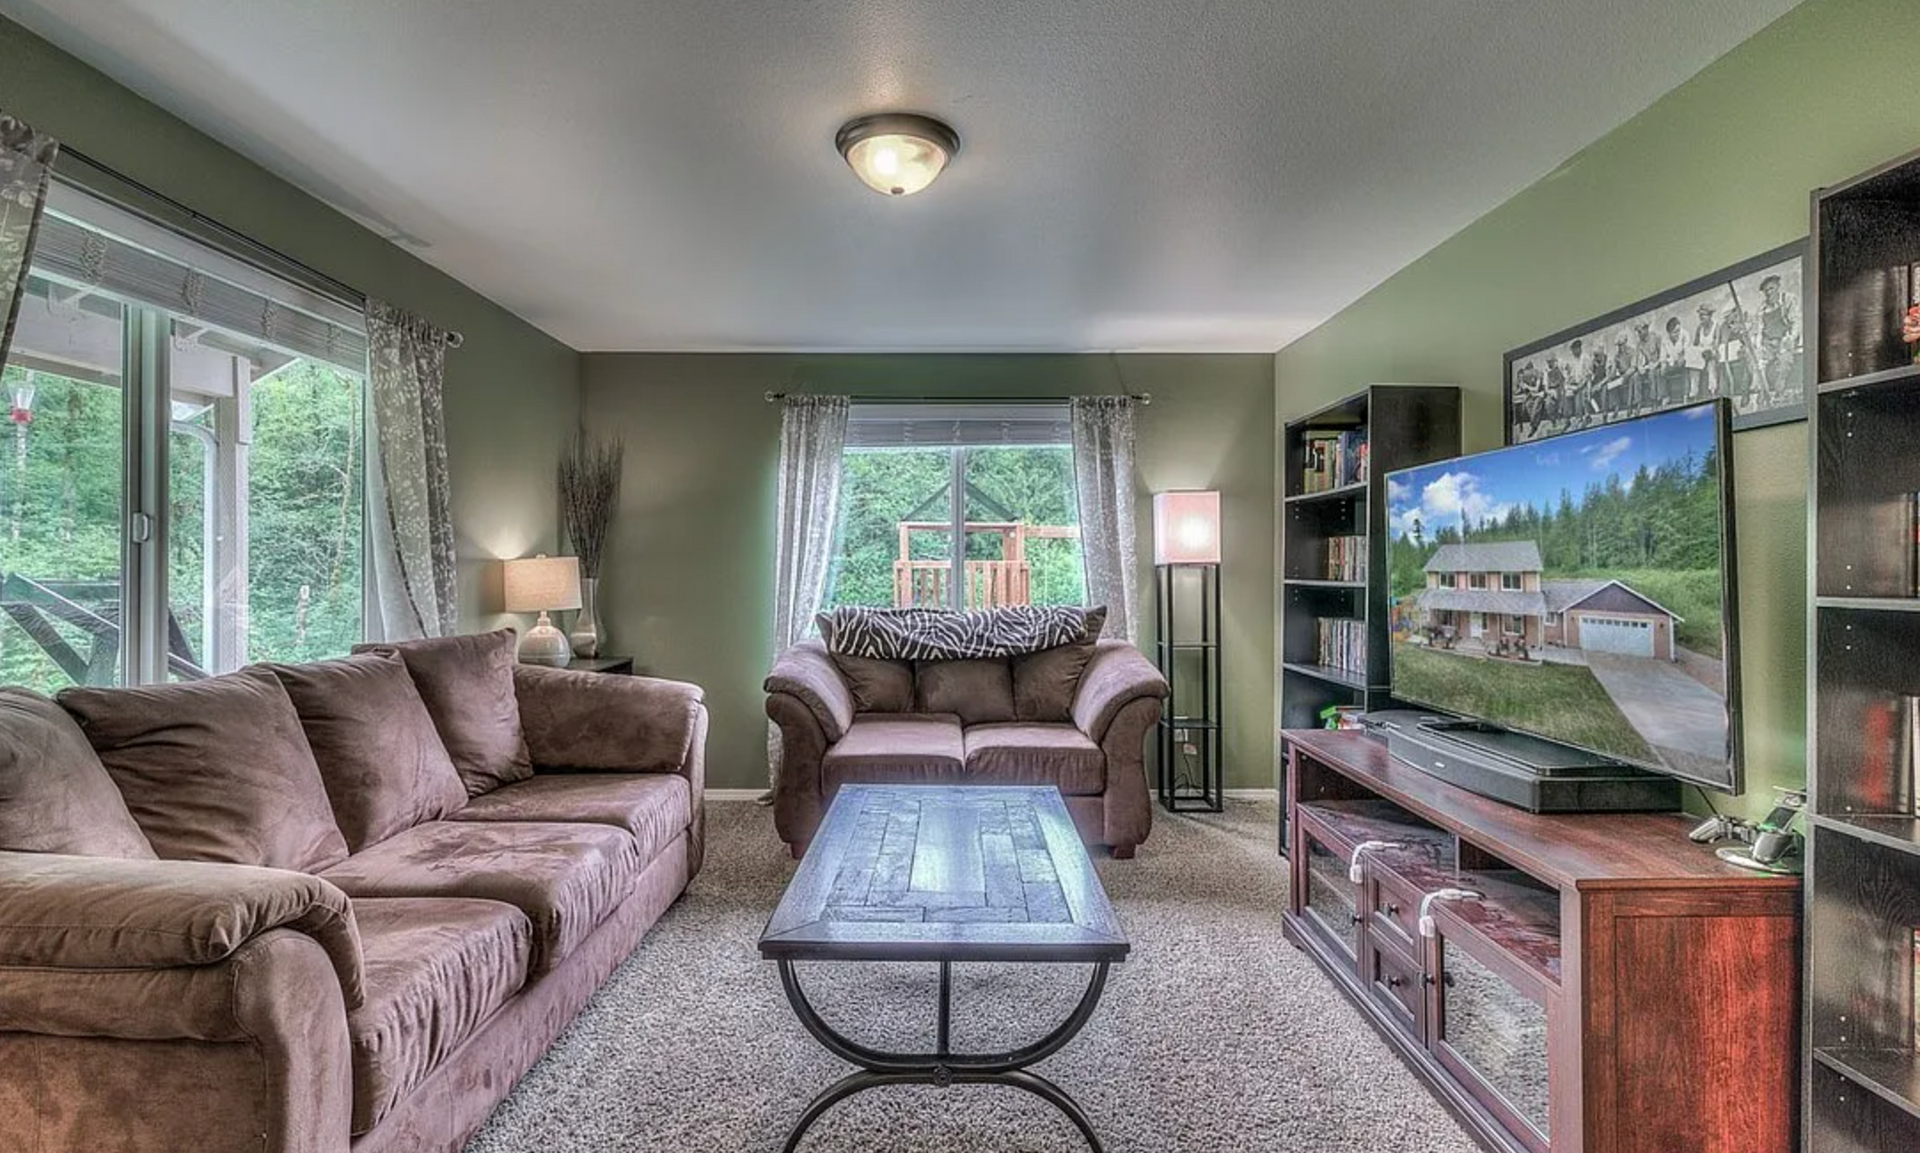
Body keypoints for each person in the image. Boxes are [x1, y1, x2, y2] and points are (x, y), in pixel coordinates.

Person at [1755, 274, 1801, 406]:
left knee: (1784, 362)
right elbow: (1759, 329)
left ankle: (1779, 393)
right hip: (1768, 342)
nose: (1769, 292)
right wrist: (1758, 345)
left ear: (1778, 287)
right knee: (1758, 363)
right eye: (1766, 291)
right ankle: (1763, 392)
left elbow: (1796, 321)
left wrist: (1791, 337)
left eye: (1771, 288)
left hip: (1785, 338)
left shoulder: (1789, 299)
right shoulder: (1762, 308)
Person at [1689, 301, 1719, 398]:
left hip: (1713, 354)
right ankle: (1694, 391)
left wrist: (1711, 351)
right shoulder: (1699, 328)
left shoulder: (1716, 326)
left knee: (1711, 363)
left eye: (1703, 315)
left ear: (1710, 316)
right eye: (1700, 315)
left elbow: (1717, 344)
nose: (1701, 318)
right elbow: (1695, 344)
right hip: (1701, 355)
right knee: (1693, 365)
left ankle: (1712, 389)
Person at [1660, 316, 1691, 403]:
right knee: (1661, 371)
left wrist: (1681, 358)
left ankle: (1686, 395)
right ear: (1669, 333)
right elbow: (1663, 358)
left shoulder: (1685, 334)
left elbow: (1686, 351)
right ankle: (1666, 396)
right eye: (1675, 332)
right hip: (1672, 363)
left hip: (1684, 361)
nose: (1678, 334)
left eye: (1679, 331)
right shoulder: (1664, 340)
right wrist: (1663, 365)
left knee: (1685, 368)